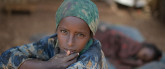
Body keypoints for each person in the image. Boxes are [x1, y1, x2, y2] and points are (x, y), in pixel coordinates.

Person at [0, 0, 109, 69]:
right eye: (64, 31)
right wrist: (48, 65)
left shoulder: (93, 57)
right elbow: (7, 57)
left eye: (80, 35)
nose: (70, 43)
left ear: (90, 36)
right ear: (57, 30)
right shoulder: (53, 41)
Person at [95, 26, 162, 69]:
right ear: (147, 47)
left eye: (146, 57)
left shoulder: (135, 60)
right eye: (149, 52)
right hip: (111, 38)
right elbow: (121, 39)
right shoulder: (135, 44)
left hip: (109, 49)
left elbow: (123, 60)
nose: (147, 55)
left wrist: (137, 62)